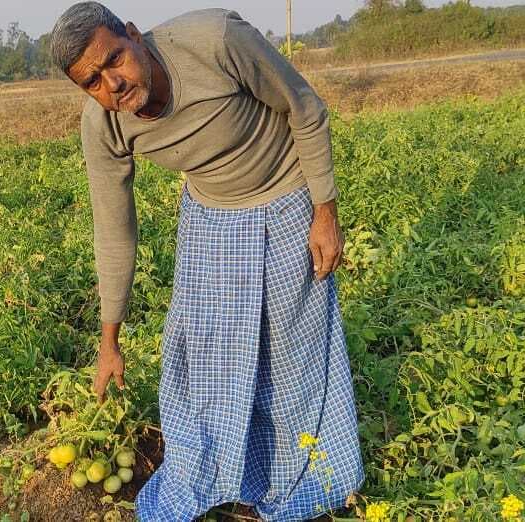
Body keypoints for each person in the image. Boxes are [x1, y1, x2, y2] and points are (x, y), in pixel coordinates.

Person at [49, 3, 365, 520]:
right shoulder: (104, 124)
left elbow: (304, 107)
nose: (113, 84)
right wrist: (110, 340)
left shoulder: (215, 40)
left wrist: (325, 212)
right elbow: (113, 227)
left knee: (291, 353)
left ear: (132, 35)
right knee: (206, 361)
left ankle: (302, 477)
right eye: (93, 82)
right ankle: (222, 476)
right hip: (211, 219)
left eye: (115, 60)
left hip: (286, 196)